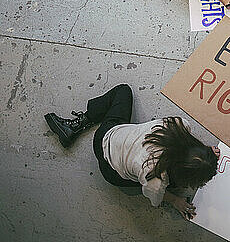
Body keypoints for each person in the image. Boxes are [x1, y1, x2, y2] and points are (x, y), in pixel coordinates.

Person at [44, 84, 220, 219]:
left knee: (123, 90)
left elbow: (189, 147)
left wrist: (205, 154)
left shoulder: (178, 124)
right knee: (172, 185)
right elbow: (154, 198)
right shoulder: (155, 177)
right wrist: (176, 200)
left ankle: (83, 121)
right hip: (110, 168)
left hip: (110, 134)